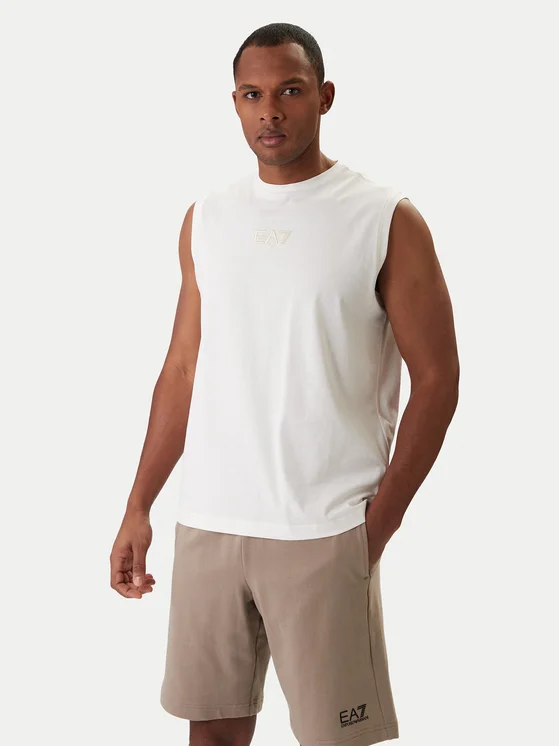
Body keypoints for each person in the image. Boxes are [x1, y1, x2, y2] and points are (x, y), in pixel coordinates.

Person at [109, 21, 460, 746]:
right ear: (235, 103)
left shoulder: (383, 217)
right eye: (252, 94)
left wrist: (379, 525)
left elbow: (438, 378)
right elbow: (182, 368)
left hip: (324, 529)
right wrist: (138, 505)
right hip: (210, 522)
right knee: (211, 734)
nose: (269, 111)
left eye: (290, 91)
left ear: (324, 97)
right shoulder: (208, 218)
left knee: (338, 739)